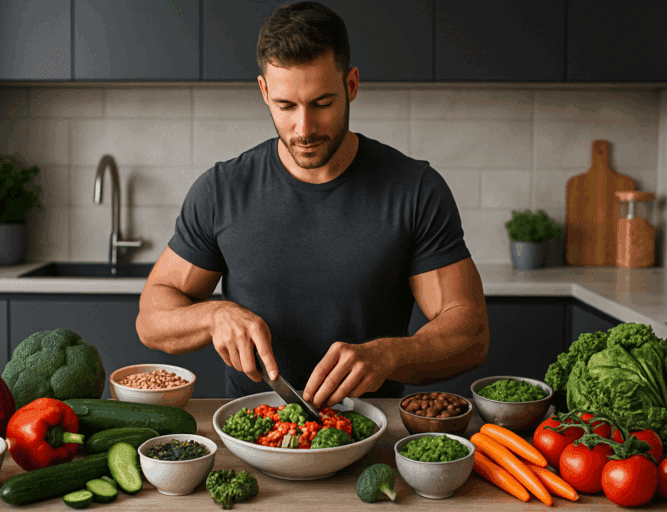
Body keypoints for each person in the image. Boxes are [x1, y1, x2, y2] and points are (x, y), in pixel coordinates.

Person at [135, 1, 489, 408]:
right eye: (286, 106)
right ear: (265, 91)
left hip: (369, 433)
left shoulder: (414, 189)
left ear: (351, 85)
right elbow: (151, 319)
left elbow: (471, 333)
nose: (304, 129)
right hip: (252, 431)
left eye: (322, 103)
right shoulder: (222, 190)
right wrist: (212, 316)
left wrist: (388, 355)